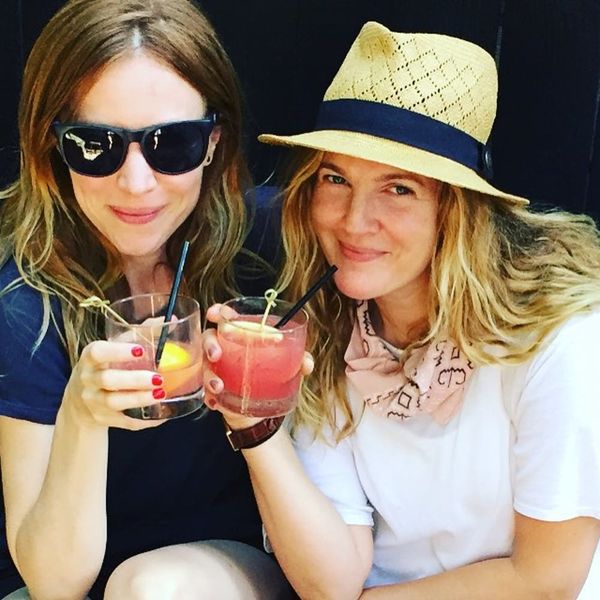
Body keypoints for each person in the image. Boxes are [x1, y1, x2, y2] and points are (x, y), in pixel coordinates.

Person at [203, 21, 600, 599]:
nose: (353, 221)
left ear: (456, 210)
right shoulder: (326, 330)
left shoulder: (559, 337)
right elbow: (331, 580)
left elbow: (546, 578)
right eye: (335, 178)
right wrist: (254, 424)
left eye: (399, 188)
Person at [0, 1, 292, 598]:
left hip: (227, 565)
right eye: (95, 145)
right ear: (53, 147)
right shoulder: (25, 301)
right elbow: (53, 583)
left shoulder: (265, 248)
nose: (136, 184)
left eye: (173, 143)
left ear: (212, 143)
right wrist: (82, 417)